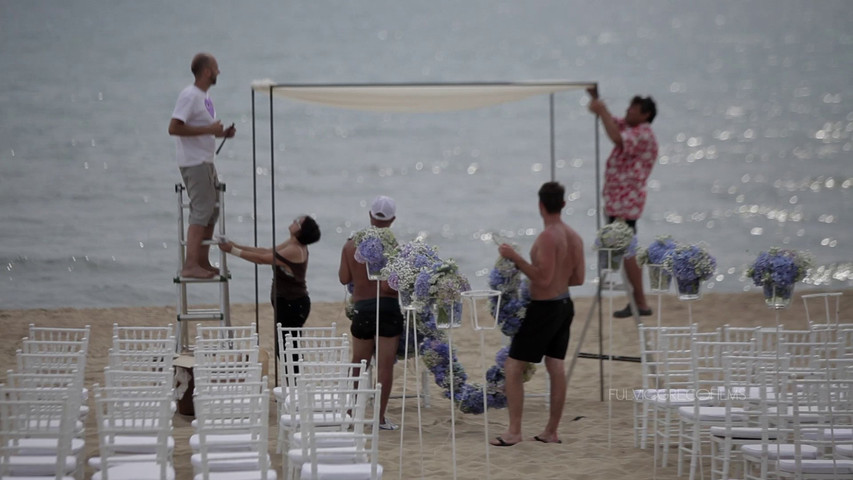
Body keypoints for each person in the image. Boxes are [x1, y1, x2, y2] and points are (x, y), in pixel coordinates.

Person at [490, 182, 585, 447]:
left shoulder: (547, 237)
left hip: (544, 309)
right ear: (563, 204)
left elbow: (542, 280)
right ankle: (550, 431)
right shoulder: (574, 236)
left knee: (512, 366)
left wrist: (515, 258)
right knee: (555, 366)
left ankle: (514, 431)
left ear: (540, 205)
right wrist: (557, 279)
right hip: (565, 305)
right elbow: (578, 278)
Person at [587, 89, 658, 318]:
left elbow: (616, 137)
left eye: (632, 109)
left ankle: (640, 300)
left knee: (628, 250)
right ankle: (637, 299)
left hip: (626, 204)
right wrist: (597, 100)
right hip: (619, 202)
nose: (627, 111)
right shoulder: (632, 128)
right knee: (626, 249)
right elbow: (612, 123)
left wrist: (600, 109)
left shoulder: (643, 133)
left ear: (645, 115)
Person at [338, 195, 404, 431]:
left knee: (358, 362)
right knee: (385, 366)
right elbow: (393, 285)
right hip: (387, 308)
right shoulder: (394, 247)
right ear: (392, 219)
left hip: (363, 308)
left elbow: (344, 278)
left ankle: (350, 411)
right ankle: (380, 418)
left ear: (370, 216)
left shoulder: (350, 244)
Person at [169, 52, 236, 279]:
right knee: (202, 210)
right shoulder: (190, 95)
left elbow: (201, 130)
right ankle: (190, 265)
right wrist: (210, 130)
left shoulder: (204, 97)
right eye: (216, 68)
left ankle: (202, 261)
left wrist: (221, 134)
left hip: (205, 161)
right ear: (207, 71)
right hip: (194, 163)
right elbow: (174, 128)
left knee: (212, 211)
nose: (218, 72)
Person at [219, 215, 321, 358]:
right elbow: (265, 251)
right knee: (286, 347)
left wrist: (233, 251)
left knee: (288, 350)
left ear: (300, 231)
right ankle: (291, 379)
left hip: (293, 303)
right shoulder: (292, 243)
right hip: (289, 302)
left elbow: (262, 259)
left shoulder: (295, 249)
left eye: (297, 221)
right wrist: (234, 245)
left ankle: (293, 380)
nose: (294, 220)